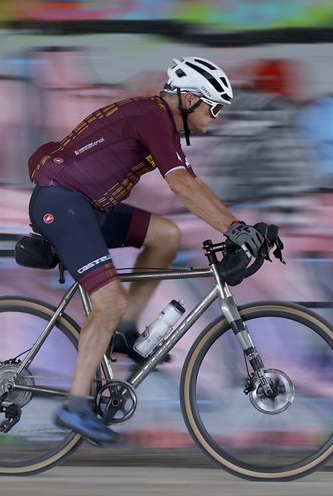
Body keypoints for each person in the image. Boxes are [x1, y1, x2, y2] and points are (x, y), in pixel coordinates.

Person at [26, 56, 270, 445]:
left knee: (165, 235)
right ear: (189, 98)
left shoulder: (160, 122)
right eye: (214, 105)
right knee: (108, 301)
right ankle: (74, 406)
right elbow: (182, 188)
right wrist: (234, 228)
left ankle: (123, 333)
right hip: (63, 205)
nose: (217, 116)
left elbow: (191, 182)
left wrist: (236, 226)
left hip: (84, 207)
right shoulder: (154, 116)